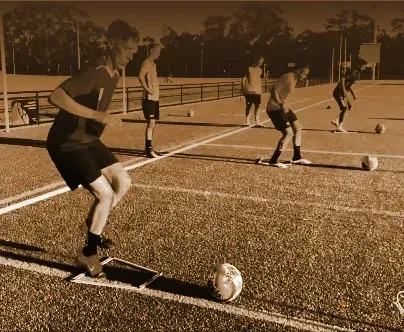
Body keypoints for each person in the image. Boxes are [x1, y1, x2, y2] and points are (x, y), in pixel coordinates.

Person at [46, 19, 140, 277]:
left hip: (86, 140)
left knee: (123, 182)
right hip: (67, 145)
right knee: (105, 195)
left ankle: (94, 227)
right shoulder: (94, 70)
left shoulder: (116, 74)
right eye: (127, 49)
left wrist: (98, 120)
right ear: (112, 43)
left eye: (134, 51)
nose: (131, 56)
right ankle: (88, 252)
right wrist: (97, 116)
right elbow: (55, 96)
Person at [263, 63, 312, 167]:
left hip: (283, 107)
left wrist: (284, 104)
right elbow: (273, 90)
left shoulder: (294, 79)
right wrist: (281, 103)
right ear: (299, 70)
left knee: (298, 127)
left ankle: (297, 156)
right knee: (288, 133)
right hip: (274, 108)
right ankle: (274, 159)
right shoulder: (288, 77)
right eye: (305, 74)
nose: (305, 77)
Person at [138, 43, 163, 158]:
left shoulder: (153, 64)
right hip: (148, 98)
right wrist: (147, 89)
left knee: (153, 124)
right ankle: (148, 149)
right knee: (151, 122)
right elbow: (140, 76)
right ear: (152, 51)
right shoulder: (146, 63)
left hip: (154, 98)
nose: (159, 53)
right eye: (157, 51)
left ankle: (149, 147)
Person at [331, 68, 359, 132]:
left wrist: (353, 96)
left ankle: (337, 121)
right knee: (345, 108)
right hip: (338, 93)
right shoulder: (343, 79)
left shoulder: (350, 80)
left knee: (349, 107)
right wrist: (345, 97)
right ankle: (340, 126)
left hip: (342, 94)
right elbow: (343, 88)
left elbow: (349, 88)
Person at [241, 55, 265, 127]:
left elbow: (258, 80)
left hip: (257, 92)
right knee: (248, 106)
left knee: (258, 106)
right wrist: (243, 90)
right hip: (249, 91)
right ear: (256, 61)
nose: (260, 64)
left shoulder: (260, 70)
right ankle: (247, 121)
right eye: (259, 62)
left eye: (261, 62)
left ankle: (257, 121)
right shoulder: (248, 69)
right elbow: (243, 80)